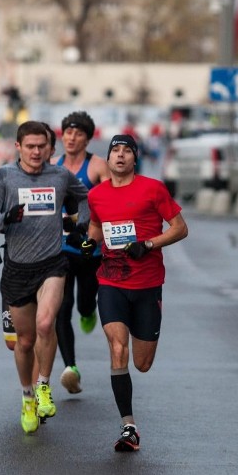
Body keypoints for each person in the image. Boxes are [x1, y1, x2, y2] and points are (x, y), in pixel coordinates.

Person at [0, 121, 90, 435]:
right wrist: (6, 219)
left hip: (52, 264)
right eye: (30, 146)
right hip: (17, 269)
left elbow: (86, 199)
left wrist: (82, 224)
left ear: (49, 148)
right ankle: (27, 396)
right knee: (24, 342)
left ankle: (43, 386)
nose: (36, 151)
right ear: (19, 147)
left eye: (42, 146)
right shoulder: (4, 176)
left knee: (45, 324)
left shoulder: (60, 175)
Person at [80, 134, 188, 452]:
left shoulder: (153, 189)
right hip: (111, 283)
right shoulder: (97, 194)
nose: (120, 155)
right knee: (117, 348)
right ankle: (129, 427)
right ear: (109, 158)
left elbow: (180, 227)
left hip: (147, 285)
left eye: (127, 151)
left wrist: (149, 244)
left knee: (142, 363)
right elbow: (97, 227)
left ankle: (129, 422)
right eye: (115, 150)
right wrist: (90, 242)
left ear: (135, 159)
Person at [53, 111, 110, 394]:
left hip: (90, 249)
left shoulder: (98, 166)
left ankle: (88, 312)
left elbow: (113, 200)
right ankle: (70, 368)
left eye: (78, 134)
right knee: (61, 308)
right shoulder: (54, 165)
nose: (71, 138)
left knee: (85, 303)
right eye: (67, 133)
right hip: (60, 248)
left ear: (87, 138)